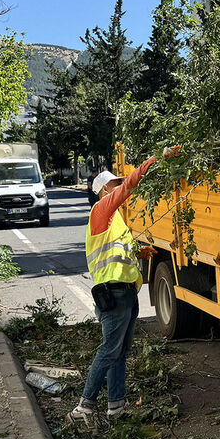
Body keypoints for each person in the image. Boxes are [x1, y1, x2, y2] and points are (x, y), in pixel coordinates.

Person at [70, 145, 180, 423]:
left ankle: (115, 407)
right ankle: (84, 407)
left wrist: (139, 253)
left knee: (119, 351)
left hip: (126, 293)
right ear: (103, 190)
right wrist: (155, 160)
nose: (119, 187)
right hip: (113, 293)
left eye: (118, 183)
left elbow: (119, 251)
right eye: (114, 184)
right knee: (110, 349)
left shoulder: (115, 220)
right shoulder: (101, 210)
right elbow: (130, 186)